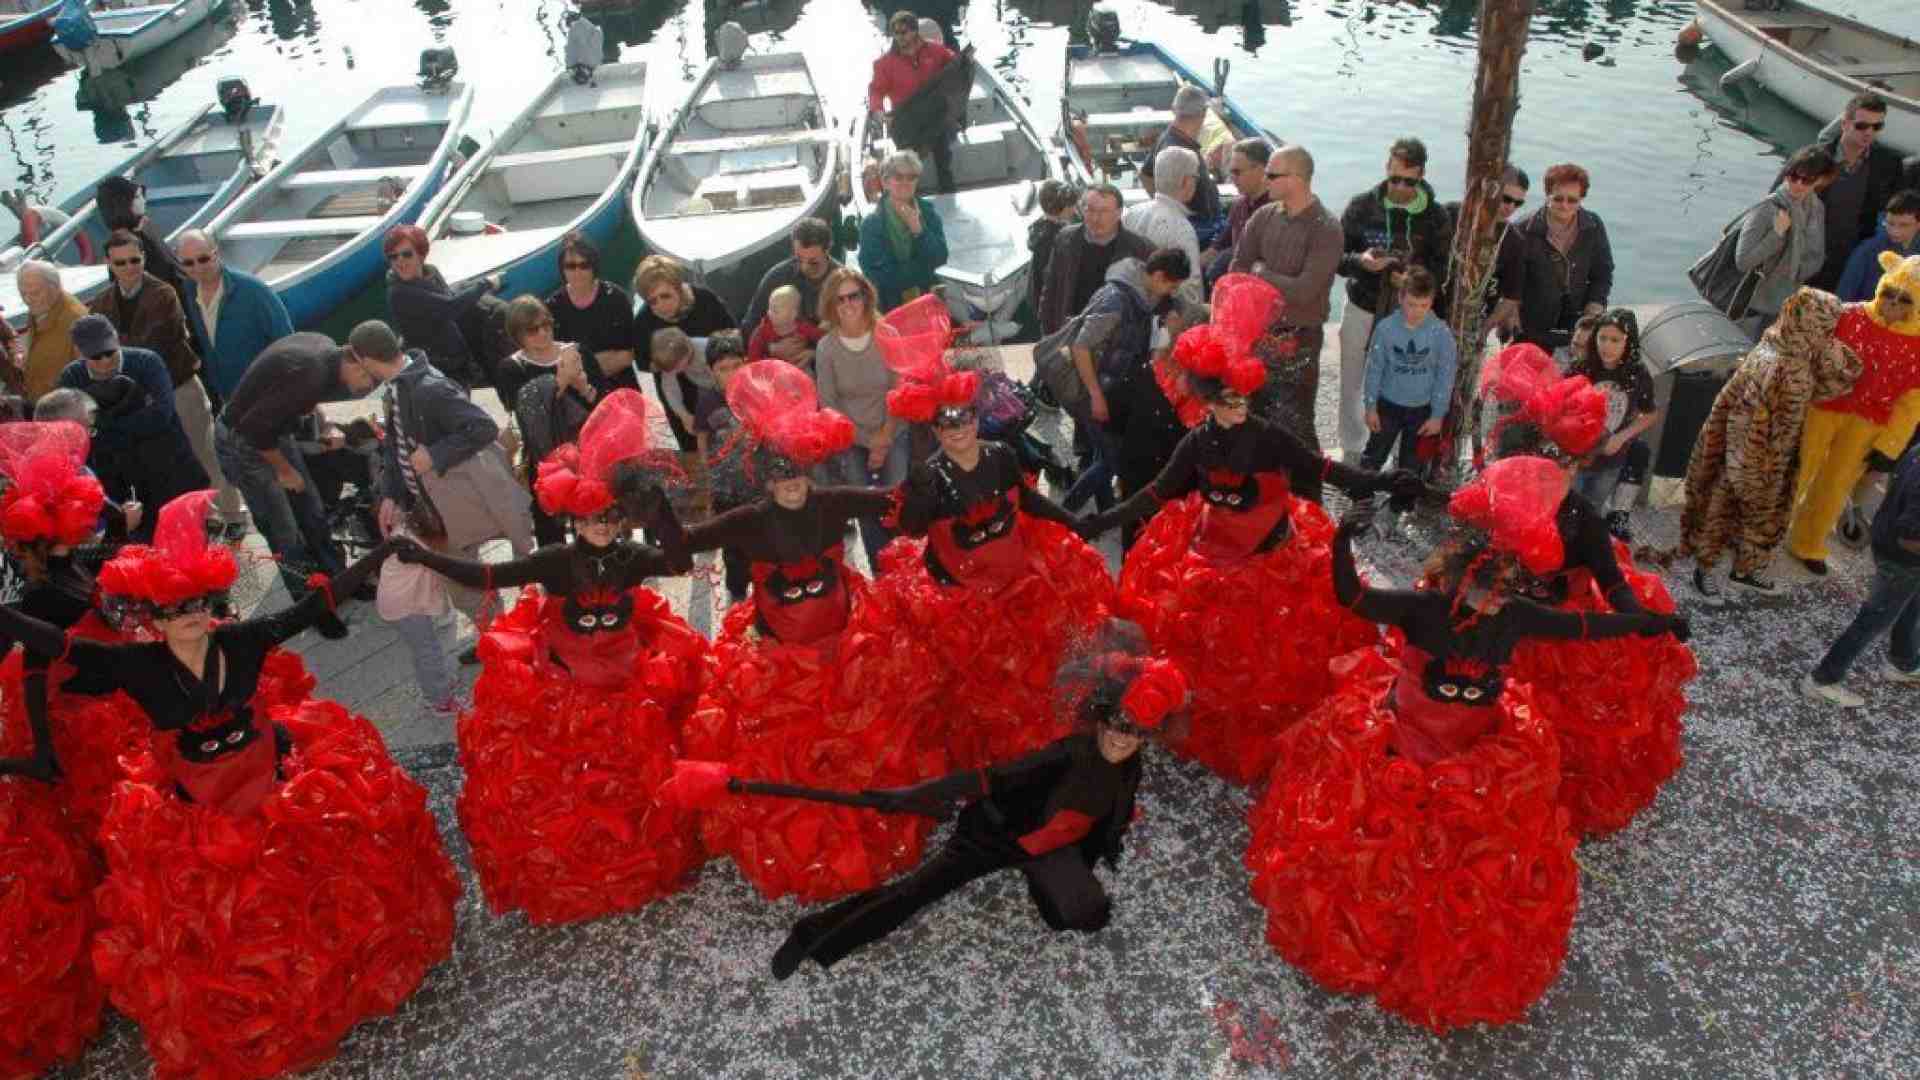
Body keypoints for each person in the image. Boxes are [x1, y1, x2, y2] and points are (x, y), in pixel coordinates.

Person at [0, 493, 459, 1080]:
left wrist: (378, 556)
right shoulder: (136, 668)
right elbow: (50, 643)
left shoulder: (240, 643)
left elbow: (314, 604)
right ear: (156, 619)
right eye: (176, 607)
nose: (192, 613)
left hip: (272, 797)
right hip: (200, 819)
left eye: (199, 602)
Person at [1247, 480, 1686, 1033]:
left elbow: (1587, 627)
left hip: (1473, 761)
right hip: (1397, 749)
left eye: (1507, 586)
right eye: (1491, 586)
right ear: (1460, 577)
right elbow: (1354, 598)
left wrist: (1653, 623)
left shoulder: (1516, 617)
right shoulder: (1423, 610)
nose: (1500, 596)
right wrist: (1342, 540)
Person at [1082, 274, 1418, 784]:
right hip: (1204, 560)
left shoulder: (1269, 439)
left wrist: (1382, 480)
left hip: (1270, 565)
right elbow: (1155, 494)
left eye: (1241, 400)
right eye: (1224, 402)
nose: (1234, 410)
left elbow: (1325, 471)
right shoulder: (1196, 443)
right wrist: (1100, 519)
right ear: (1208, 400)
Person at [391, 390, 709, 924]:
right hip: (570, 688)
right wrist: (425, 556)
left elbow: (678, 562)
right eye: (591, 521)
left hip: (630, 683)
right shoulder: (557, 562)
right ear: (573, 521)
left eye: (610, 519)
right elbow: (489, 576)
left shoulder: (630, 558)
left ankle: (643, 858)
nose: (601, 529)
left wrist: (663, 517)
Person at [763, 625, 1186, 979]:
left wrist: (1085, 865)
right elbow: (987, 779)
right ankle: (814, 938)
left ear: (1147, 738)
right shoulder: (1066, 755)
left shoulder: (1130, 767)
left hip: (1050, 847)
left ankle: (1045, 883)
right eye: (1114, 724)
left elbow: (1102, 819)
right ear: (1100, 718)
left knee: (1086, 917)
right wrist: (909, 795)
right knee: (913, 894)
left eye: (1133, 733)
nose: (1119, 737)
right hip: (992, 837)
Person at [674, 361, 943, 903]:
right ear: (766, 483)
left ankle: (863, 834)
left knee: (863, 747)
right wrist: (653, 510)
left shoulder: (831, 501)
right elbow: (683, 544)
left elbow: (894, 501)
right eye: (781, 479)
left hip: (848, 653)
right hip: (779, 663)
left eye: (798, 476)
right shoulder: (748, 520)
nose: (792, 486)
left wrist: (920, 430)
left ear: (809, 473)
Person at [867, 295, 1113, 767]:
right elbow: (914, 530)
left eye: (964, 418)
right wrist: (917, 492)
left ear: (977, 419)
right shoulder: (931, 476)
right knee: (980, 690)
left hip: (1016, 585)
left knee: (1035, 672)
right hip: (962, 603)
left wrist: (1073, 522)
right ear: (935, 429)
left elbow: (1029, 502)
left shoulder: (1000, 455)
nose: (956, 428)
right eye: (946, 422)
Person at [1475, 347, 1697, 837]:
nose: (1558, 474)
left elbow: (1613, 584)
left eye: (1567, 466)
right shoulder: (1501, 498)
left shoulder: (1586, 522)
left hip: (1554, 629)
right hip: (1498, 619)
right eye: (1547, 463)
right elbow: (1469, 563)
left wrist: (1642, 621)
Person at [1673, 288, 1861, 603]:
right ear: (1812, 325)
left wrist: (1827, 348)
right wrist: (1750, 470)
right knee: (1728, 509)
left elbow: (1834, 382)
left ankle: (1743, 569)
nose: (1831, 330)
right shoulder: (1782, 363)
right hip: (1755, 459)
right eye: (1826, 324)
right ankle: (1706, 571)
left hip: (1771, 455)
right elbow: (1747, 419)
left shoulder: (1780, 345)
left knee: (1755, 514)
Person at [216, 322, 406, 602]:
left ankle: (340, 581)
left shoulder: (327, 350)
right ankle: (307, 602)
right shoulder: (312, 373)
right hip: (242, 439)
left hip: (274, 430)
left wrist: (323, 424)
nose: (367, 390)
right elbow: (254, 429)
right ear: (357, 365)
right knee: (283, 529)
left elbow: (296, 393)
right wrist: (285, 470)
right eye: (370, 382)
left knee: (312, 510)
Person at [375, 337, 534, 667]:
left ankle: (512, 636)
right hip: (432, 504)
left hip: (455, 501)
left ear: (366, 359)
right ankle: (498, 637)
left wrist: (435, 454)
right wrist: (391, 492)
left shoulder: (429, 388)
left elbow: (483, 426)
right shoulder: (395, 387)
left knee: (465, 579)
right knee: (462, 581)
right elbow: (393, 445)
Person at [1785, 252, 1920, 575]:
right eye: (1890, 293)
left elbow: (1911, 404)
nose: (1893, 304)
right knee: (1793, 472)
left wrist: (1889, 448)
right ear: (1881, 286)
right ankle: (1761, 534)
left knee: (1835, 485)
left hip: (1869, 422)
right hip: (1822, 407)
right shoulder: (1846, 315)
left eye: (1905, 300)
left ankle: (1808, 542)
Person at [1336, 137, 1454, 461]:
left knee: (1399, 379)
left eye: (1409, 181)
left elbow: (1444, 270)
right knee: (1353, 381)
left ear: (1422, 175)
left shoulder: (1436, 216)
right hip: (1363, 304)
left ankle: (1386, 453)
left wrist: (1413, 280)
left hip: (1408, 316)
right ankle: (1351, 449)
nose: (1400, 187)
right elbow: (1336, 257)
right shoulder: (1361, 206)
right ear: (1386, 169)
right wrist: (1360, 262)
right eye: (1394, 178)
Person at [1063, 249, 1193, 527]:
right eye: (1172, 285)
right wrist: (1095, 394)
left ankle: (1104, 513)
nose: (1173, 291)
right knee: (1112, 462)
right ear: (1157, 275)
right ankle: (1065, 514)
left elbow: (1174, 307)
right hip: (1099, 389)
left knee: (1104, 455)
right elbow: (1080, 346)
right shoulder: (1115, 301)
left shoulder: (1151, 292)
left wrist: (1173, 320)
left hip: (1119, 390)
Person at [1231, 144, 1344, 451]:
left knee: (1297, 423)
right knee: (1254, 415)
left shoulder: (1326, 229)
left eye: (1272, 174)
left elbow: (1305, 290)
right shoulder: (1263, 217)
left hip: (1299, 338)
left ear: (1296, 179)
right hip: (1258, 333)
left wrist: (1262, 274)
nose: (1265, 180)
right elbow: (1237, 270)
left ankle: (1307, 492)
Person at [58, 315, 208, 541]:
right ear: (79, 353)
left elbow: (161, 415)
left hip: (169, 467)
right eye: (95, 356)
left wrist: (102, 429)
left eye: (110, 351)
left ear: (117, 339)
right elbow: (75, 434)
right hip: (120, 482)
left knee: (190, 539)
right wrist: (135, 421)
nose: (105, 360)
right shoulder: (71, 377)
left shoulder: (147, 362)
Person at [1800, 441, 1920, 706]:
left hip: (1888, 541)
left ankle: (1904, 660)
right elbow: (1909, 538)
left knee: (1911, 602)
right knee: (1873, 620)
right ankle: (1822, 680)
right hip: (1901, 560)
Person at [814, 267, 909, 564]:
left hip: (892, 428)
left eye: (853, 296)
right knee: (866, 507)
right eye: (839, 299)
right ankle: (881, 570)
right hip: (852, 437)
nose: (847, 304)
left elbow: (900, 389)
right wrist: (868, 441)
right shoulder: (826, 348)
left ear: (865, 296)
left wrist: (884, 436)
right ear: (831, 305)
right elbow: (829, 405)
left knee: (899, 501)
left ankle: (907, 565)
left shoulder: (887, 334)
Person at [1358, 266, 1455, 535]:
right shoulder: (1386, 329)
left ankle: (1395, 511)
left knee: (1411, 467)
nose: (1416, 311)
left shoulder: (1440, 334)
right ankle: (1362, 504)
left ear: (1431, 302)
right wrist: (1370, 406)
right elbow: (1374, 368)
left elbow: (1445, 376)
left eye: (1423, 305)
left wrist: (1437, 414)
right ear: (1401, 298)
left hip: (1422, 412)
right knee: (1373, 456)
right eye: (1411, 304)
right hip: (1388, 405)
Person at [1785, 92, 1907, 293]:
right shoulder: (1812, 158)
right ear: (1844, 124)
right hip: (1803, 258)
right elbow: (1779, 199)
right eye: (1862, 126)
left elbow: (1895, 212)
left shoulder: (1889, 165)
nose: (1869, 132)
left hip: (1850, 264)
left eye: (1877, 127)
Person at [503, 296, 597, 548]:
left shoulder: (577, 352)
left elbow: (602, 405)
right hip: (544, 457)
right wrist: (561, 382)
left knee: (592, 520)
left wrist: (584, 387)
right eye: (533, 329)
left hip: (585, 452)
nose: (543, 333)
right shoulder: (512, 368)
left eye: (547, 324)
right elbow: (526, 414)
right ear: (518, 334)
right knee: (549, 529)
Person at [1492, 162, 1614, 351]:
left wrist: (1595, 307)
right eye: (1558, 198)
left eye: (1572, 200)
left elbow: (1603, 273)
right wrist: (1510, 313)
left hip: (1577, 324)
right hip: (1530, 325)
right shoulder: (1522, 230)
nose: (1565, 206)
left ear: (1582, 199)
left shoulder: (1594, 226)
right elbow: (1506, 281)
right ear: (1547, 195)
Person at [631, 254, 736, 453]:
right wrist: (669, 361)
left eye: (665, 296)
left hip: (719, 381)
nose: (660, 305)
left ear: (678, 287)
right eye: (652, 301)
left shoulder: (704, 299)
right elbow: (642, 362)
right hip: (678, 391)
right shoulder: (644, 321)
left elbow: (733, 334)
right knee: (693, 447)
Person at [1569, 308, 1658, 540]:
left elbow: (1650, 414)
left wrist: (1622, 437)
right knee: (1567, 511)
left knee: (1592, 510)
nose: (1607, 346)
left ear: (1628, 342)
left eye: (1615, 340)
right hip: (1577, 458)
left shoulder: (1638, 374)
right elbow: (1559, 404)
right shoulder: (1582, 368)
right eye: (1602, 338)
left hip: (1611, 461)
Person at [1731, 145, 1837, 339]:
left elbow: (1816, 254)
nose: (1797, 184)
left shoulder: (1816, 208)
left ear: (1821, 180)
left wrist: (1796, 274)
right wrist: (1777, 234)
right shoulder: (1767, 208)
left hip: (1785, 302)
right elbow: (1743, 262)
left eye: (1807, 180)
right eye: (1792, 176)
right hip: (1751, 306)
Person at [382, 224, 505, 389]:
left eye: (406, 254)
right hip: (437, 367)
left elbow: (448, 295)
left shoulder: (431, 273)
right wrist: (486, 284)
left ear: (421, 254)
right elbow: (450, 307)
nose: (400, 261)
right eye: (393, 256)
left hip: (458, 360)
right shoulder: (400, 293)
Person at [689, 332, 755, 601]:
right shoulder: (707, 399)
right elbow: (702, 437)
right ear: (711, 371)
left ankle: (766, 587)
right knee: (733, 540)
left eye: (736, 366)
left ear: (746, 362)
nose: (730, 373)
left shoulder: (758, 392)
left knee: (763, 533)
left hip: (757, 478)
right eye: (722, 369)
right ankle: (737, 592)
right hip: (725, 483)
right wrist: (707, 478)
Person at [1036, 183, 1150, 336]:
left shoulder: (1138, 248)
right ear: (1082, 210)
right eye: (1090, 210)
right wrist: (1048, 334)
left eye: (1104, 211)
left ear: (1119, 213)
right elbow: (1050, 289)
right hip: (1070, 336)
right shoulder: (1065, 239)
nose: (1096, 218)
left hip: (1115, 342)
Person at [868, 11, 958, 194]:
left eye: (904, 31)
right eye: (896, 33)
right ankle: (909, 200)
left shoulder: (935, 51)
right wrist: (878, 111)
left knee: (943, 158)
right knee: (908, 167)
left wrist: (965, 60)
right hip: (906, 122)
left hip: (935, 116)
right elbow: (876, 90)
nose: (900, 37)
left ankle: (948, 193)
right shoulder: (884, 64)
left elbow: (954, 63)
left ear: (915, 31)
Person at [858, 150, 950, 311]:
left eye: (911, 177)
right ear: (886, 182)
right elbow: (879, 277)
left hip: (929, 301)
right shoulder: (871, 225)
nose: (905, 183)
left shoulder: (928, 213)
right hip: (891, 306)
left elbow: (940, 257)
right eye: (899, 177)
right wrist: (923, 269)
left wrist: (919, 231)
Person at [545, 230, 636, 391]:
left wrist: (583, 366)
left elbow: (627, 356)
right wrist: (605, 360)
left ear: (594, 266)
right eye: (570, 266)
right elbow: (556, 363)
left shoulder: (616, 298)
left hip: (622, 387)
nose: (577, 272)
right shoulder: (552, 307)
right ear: (562, 269)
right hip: (579, 393)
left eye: (584, 265)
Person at [1122, 147, 1205, 306]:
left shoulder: (1131, 213)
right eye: (1196, 177)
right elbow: (1192, 296)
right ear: (1186, 181)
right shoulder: (1182, 230)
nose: (1196, 182)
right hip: (1159, 321)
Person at [1141, 85, 1224, 244]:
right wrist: (1175, 214)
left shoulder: (1167, 136)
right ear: (1203, 113)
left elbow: (1145, 175)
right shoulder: (1179, 150)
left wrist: (1162, 205)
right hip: (1200, 227)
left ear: (1174, 109)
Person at [739, 216, 840, 345]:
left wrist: (815, 353)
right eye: (799, 258)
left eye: (813, 262)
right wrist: (771, 348)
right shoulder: (777, 277)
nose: (804, 267)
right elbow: (750, 324)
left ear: (827, 250)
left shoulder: (843, 282)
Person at [93, 175, 188, 302]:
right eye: (138, 197)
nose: (144, 200)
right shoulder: (128, 246)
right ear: (123, 204)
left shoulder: (144, 228)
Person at [1202, 137, 1272, 287]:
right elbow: (1219, 245)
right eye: (1230, 172)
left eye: (1237, 172)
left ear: (1261, 170)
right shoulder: (1239, 204)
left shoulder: (1275, 213)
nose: (1231, 178)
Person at [16, 260, 88, 401]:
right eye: (23, 294)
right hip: (39, 404)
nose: (28, 300)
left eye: (35, 293)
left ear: (55, 288)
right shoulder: (42, 308)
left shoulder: (77, 321)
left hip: (62, 410)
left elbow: (89, 374)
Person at [1836, 189, 1920, 302]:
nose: (1894, 231)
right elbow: (1844, 293)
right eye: (1890, 223)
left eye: (1904, 225)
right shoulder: (1868, 250)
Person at [1026, 178, 1080, 319]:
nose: (1075, 209)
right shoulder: (1060, 238)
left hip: (1036, 297)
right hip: (1052, 307)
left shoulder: (1038, 227)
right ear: (1060, 208)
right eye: (1071, 205)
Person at [747, 284, 825, 365]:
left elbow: (824, 340)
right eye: (769, 308)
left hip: (799, 366)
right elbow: (753, 358)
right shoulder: (762, 331)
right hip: (772, 369)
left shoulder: (803, 327)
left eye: (775, 310)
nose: (769, 313)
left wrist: (813, 353)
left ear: (793, 314)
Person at [562, 8, 604, 84]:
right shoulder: (593, 30)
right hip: (588, 62)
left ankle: (582, 73)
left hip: (585, 62)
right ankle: (582, 73)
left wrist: (571, 66)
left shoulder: (575, 30)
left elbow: (570, 50)